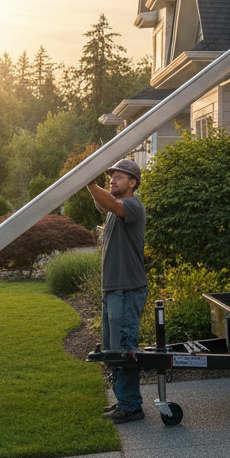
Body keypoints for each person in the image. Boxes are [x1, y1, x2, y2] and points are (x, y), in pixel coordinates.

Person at [88, 157, 148, 423]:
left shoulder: (133, 206)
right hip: (114, 289)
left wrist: (88, 182)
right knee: (115, 350)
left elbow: (109, 202)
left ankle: (131, 406)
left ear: (132, 183)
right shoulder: (114, 209)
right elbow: (104, 203)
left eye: (119, 177)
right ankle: (123, 401)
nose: (112, 180)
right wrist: (91, 185)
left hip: (127, 289)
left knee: (124, 348)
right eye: (111, 176)